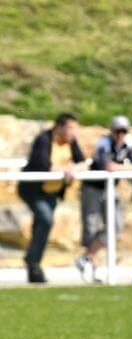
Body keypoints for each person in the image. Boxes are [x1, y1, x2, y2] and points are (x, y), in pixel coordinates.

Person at [17, 112, 86, 284]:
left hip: (52, 192)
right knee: (45, 220)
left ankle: (33, 265)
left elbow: (83, 161)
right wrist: (65, 170)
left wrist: (74, 169)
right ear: (59, 126)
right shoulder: (44, 140)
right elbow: (42, 165)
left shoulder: (71, 142)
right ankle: (33, 262)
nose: (73, 132)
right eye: (70, 127)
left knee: (41, 224)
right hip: (33, 190)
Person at [77, 115, 132, 282]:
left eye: (123, 131)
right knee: (91, 226)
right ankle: (93, 266)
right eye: (117, 131)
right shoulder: (104, 143)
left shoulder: (129, 143)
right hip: (93, 188)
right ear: (112, 131)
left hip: (110, 187)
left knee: (116, 226)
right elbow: (108, 166)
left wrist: (124, 168)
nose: (120, 134)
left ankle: (86, 257)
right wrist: (127, 168)